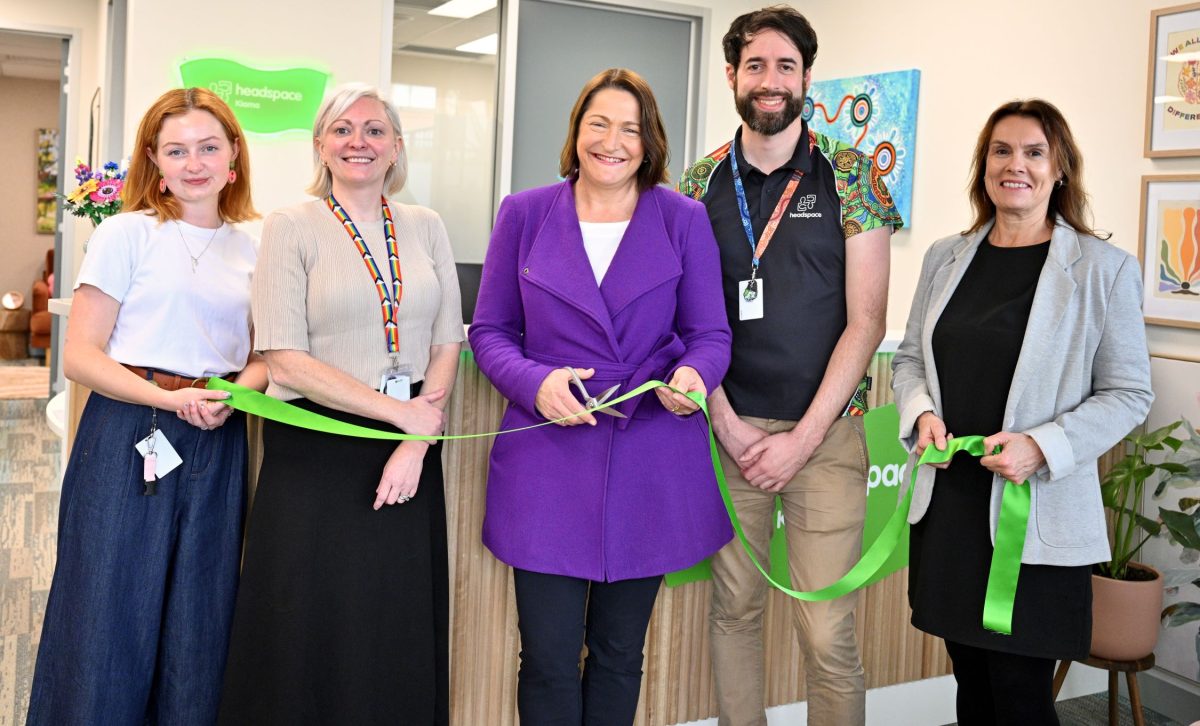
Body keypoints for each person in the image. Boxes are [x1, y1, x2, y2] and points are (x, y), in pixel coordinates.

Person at [469, 67, 732, 725]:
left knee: (619, 653)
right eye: (598, 124)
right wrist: (536, 383)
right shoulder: (525, 213)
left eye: (630, 128)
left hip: (650, 458)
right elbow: (491, 330)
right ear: (576, 131)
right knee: (549, 659)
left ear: (650, 143)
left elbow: (710, 334)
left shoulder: (683, 218)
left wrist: (696, 377)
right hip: (546, 461)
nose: (612, 141)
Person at [891, 99, 1153, 725]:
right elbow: (909, 361)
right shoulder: (945, 257)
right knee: (972, 685)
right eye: (1001, 151)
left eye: (1034, 152)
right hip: (950, 507)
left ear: (1060, 167)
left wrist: (1043, 446)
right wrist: (922, 414)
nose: (1017, 166)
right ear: (983, 166)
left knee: (1020, 695)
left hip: (1034, 519)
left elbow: (1129, 393)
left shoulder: (1104, 269)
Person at [679, 7, 902, 725]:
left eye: (785, 67)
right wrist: (732, 428)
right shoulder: (695, 185)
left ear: (806, 78)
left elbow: (867, 322)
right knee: (733, 612)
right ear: (732, 77)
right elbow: (684, 323)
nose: (770, 81)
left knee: (829, 633)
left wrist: (802, 438)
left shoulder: (852, 176)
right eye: (755, 66)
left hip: (828, 440)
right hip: (727, 437)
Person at [217, 84, 463, 725]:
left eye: (375, 130)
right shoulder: (290, 225)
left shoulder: (426, 226)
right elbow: (282, 356)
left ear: (397, 148)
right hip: (316, 453)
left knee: (395, 624)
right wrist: (401, 417)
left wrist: (415, 441)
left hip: (407, 455)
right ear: (321, 145)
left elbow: (446, 342)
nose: (360, 141)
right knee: (308, 626)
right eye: (344, 129)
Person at [26, 87, 264, 725]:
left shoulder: (257, 244)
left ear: (233, 156)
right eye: (177, 150)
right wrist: (164, 397)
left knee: (198, 616)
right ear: (154, 162)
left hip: (216, 435)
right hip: (131, 427)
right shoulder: (128, 233)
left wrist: (241, 392)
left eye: (209, 147)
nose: (195, 163)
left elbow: (269, 352)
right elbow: (80, 354)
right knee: (107, 608)